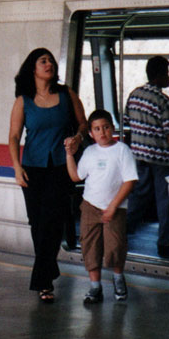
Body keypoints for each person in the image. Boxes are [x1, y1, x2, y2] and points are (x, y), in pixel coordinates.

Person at [8, 48, 86, 303]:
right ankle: (49, 269)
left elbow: (82, 122)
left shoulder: (66, 94)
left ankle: (43, 282)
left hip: (60, 167)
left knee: (53, 222)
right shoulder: (23, 101)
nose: (49, 64)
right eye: (43, 61)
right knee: (37, 223)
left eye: (51, 60)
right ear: (33, 68)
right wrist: (17, 167)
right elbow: (14, 136)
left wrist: (77, 138)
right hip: (33, 167)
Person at [65, 110, 138, 303]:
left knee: (115, 245)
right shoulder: (89, 152)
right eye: (97, 129)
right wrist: (69, 155)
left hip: (115, 206)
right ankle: (95, 287)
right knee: (90, 246)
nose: (102, 132)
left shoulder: (122, 150)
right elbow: (76, 176)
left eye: (106, 127)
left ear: (112, 128)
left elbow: (130, 181)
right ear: (91, 133)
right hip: (90, 205)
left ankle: (118, 278)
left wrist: (114, 206)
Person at [123, 56, 169, 256]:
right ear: (159, 75)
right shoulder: (163, 101)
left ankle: (120, 233)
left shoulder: (134, 96)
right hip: (162, 160)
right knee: (165, 201)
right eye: (167, 74)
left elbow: (128, 125)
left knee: (137, 198)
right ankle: (165, 242)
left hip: (139, 156)